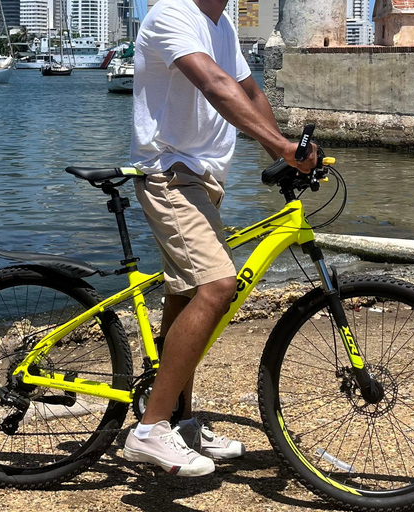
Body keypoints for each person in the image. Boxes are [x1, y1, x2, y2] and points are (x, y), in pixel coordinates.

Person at [122, 0, 319, 477]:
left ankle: (180, 422)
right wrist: (280, 147)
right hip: (169, 173)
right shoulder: (172, 14)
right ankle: (149, 432)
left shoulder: (222, 23)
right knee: (217, 287)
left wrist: (284, 148)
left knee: (187, 292)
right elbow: (213, 83)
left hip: (204, 178)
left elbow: (248, 91)